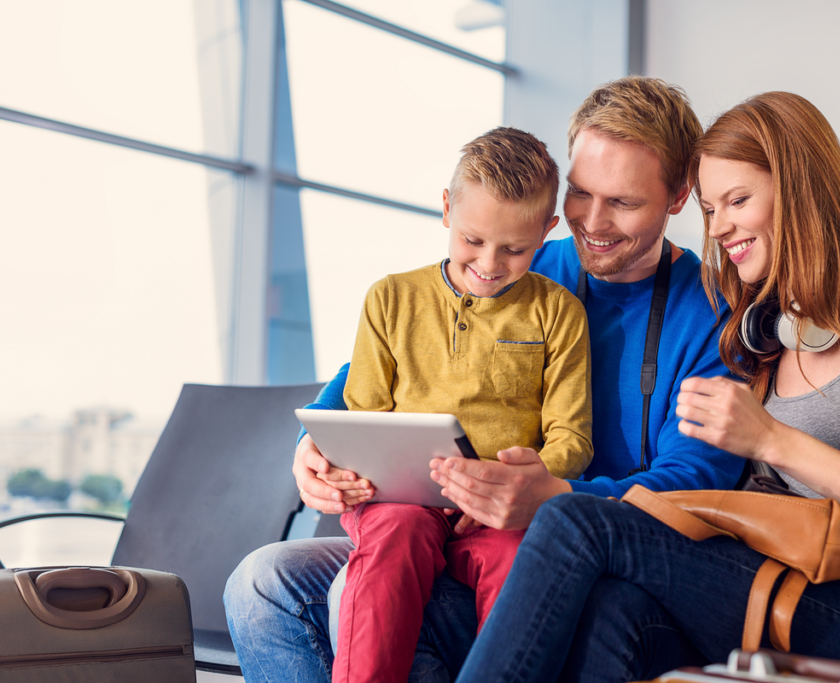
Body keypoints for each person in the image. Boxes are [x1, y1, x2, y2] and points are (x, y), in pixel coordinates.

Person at [451, 92, 840, 683]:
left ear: (800, 193)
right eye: (709, 208)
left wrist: (773, 441)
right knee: (609, 612)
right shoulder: (759, 328)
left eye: (738, 201)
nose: (718, 226)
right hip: (784, 576)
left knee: (574, 522)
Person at [223, 76, 746, 683]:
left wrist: (556, 497)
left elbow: (696, 483)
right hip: (431, 519)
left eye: (624, 203)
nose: (593, 224)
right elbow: (387, 365)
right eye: (580, 194)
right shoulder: (521, 262)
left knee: (360, 603)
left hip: (565, 555)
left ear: (679, 196)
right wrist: (312, 448)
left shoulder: (712, 315)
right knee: (260, 586)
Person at [323, 126, 594, 683]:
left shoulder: (559, 312)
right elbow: (363, 417)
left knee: (522, 560)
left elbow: (572, 440)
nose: (489, 263)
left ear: (547, 232)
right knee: (395, 537)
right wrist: (345, 467)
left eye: (515, 249)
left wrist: (517, 480)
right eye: (473, 240)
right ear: (447, 209)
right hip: (399, 501)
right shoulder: (390, 298)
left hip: (497, 510)